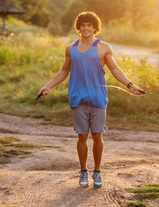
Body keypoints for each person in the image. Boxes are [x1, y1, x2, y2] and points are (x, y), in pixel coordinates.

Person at [37, 11, 145, 188]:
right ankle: (83, 172)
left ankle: (97, 172)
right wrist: (48, 86)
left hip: (98, 98)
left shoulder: (103, 47)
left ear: (95, 28)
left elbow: (115, 70)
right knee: (82, 137)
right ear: (79, 28)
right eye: (83, 25)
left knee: (97, 136)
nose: (86, 28)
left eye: (89, 25)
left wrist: (130, 85)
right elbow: (64, 71)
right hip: (78, 98)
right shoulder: (70, 48)